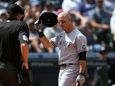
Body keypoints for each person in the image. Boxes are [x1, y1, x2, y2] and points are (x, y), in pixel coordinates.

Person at [36, 12, 87, 86]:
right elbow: (48, 45)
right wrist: (39, 31)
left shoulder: (78, 36)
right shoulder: (61, 35)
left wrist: (81, 74)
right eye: (59, 22)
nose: (61, 24)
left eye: (63, 21)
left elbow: (82, 57)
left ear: (70, 20)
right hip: (62, 69)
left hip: (72, 68)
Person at [0, 4, 29, 86]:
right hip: (13, 67)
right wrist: (25, 62)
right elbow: (24, 45)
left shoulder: (0, 25)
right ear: (19, 14)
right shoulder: (20, 24)